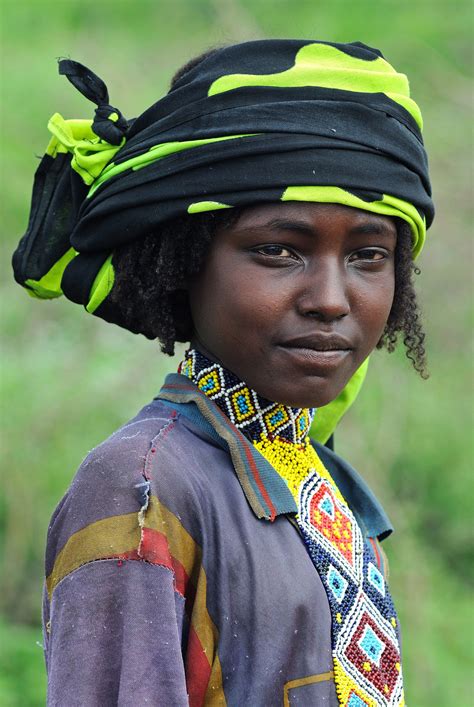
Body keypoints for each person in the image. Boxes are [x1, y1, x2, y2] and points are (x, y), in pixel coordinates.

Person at [13, 39, 433, 706]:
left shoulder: (310, 476)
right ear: (185, 260)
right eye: (276, 249)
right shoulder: (142, 487)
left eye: (368, 255)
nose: (330, 297)